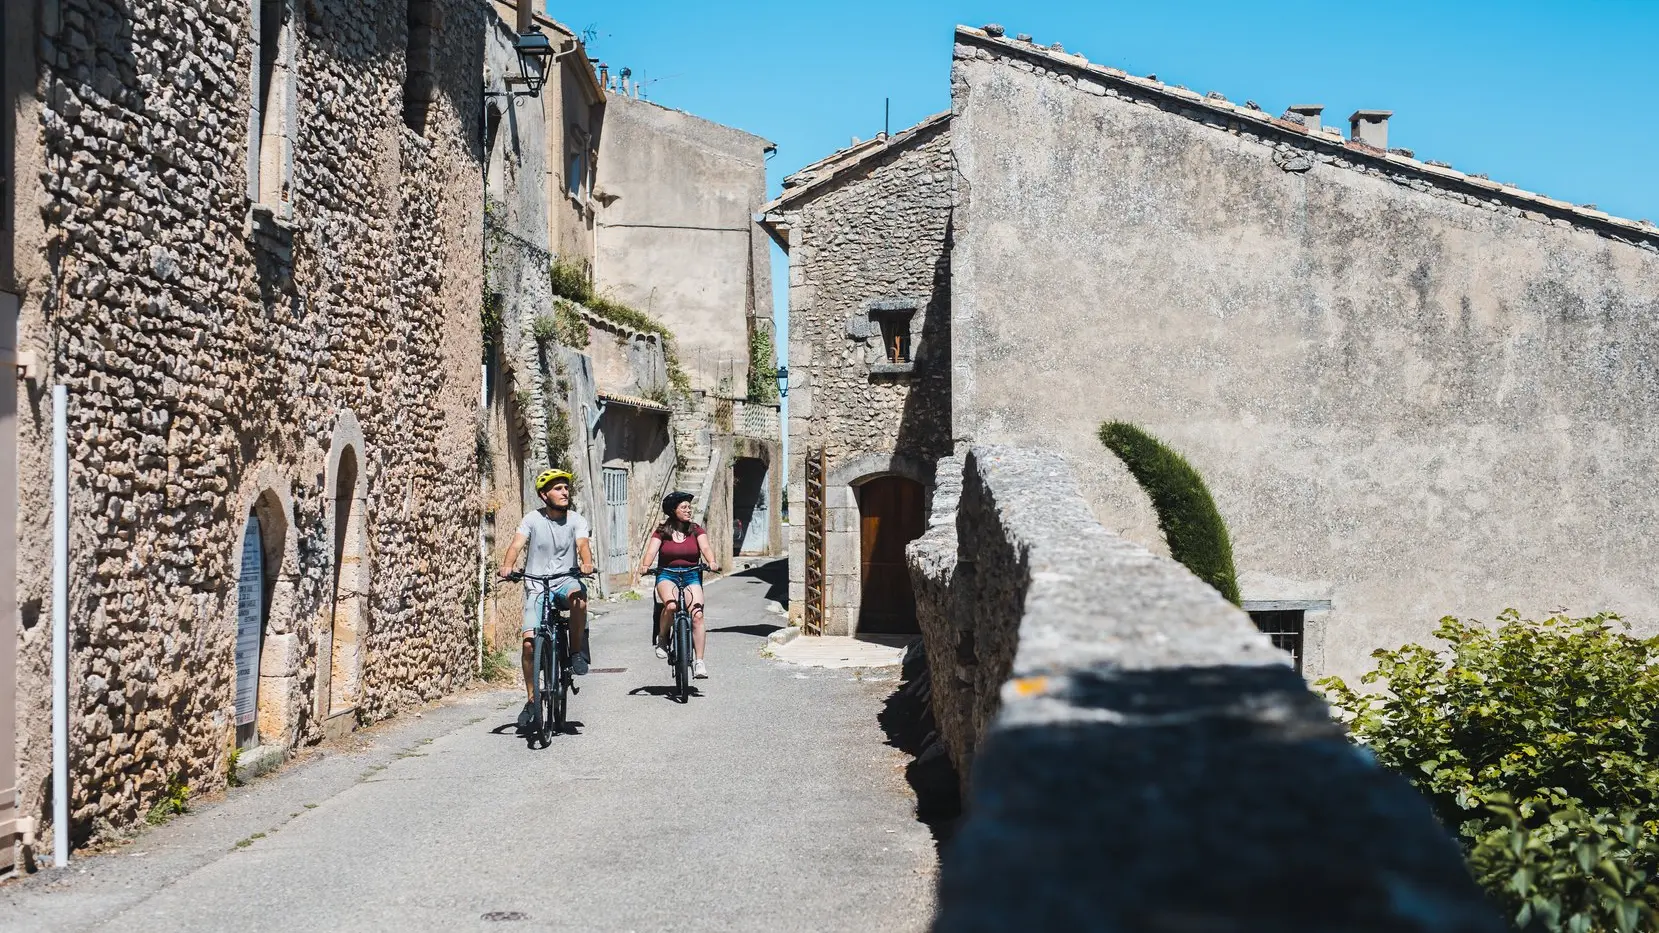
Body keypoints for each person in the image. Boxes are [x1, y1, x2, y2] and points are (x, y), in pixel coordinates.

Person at [498, 469, 594, 730]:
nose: (565, 492)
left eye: (566, 487)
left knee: (579, 599)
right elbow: (517, 545)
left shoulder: (576, 520)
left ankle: (575, 653)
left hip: (566, 580)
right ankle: (532, 699)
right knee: (529, 644)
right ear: (544, 495)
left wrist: (587, 563)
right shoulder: (532, 519)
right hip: (537, 585)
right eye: (558, 489)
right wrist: (507, 565)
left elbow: (582, 545)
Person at [637, 491, 718, 679]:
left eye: (689, 507)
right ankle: (663, 638)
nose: (688, 510)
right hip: (668, 574)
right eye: (684, 507)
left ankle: (699, 662)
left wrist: (712, 561)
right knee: (671, 605)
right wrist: (645, 565)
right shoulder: (662, 531)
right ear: (673, 510)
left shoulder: (695, 529)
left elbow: (705, 547)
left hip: (691, 575)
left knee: (697, 614)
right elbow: (651, 551)